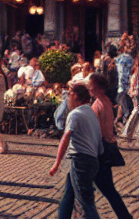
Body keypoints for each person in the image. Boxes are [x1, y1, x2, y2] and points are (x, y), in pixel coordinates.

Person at [50, 82, 103, 219]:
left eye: (69, 94)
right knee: (69, 193)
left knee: (86, 203)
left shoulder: (75, 114)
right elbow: (99, 140)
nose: (67, 98)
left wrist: (57, 163)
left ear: (75, 96)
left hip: (81, 161)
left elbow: (65, 138)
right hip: (92, 160)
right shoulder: (91, 113)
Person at [87, 73, 132, 219]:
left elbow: (97, 131)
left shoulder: (97, 105)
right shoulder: (106, 101)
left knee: (101, 189)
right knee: (105, 189)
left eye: (91, 86)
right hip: (106, 148)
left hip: (101, 151)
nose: (89, 88)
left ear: (98, 88)